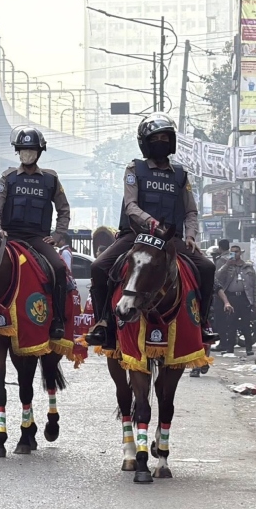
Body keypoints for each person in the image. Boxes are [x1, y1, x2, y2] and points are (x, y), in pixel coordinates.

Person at [86, 112, 218, 347]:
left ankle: (204, 322)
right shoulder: (134, 169)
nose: (161, 143)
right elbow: (131, 206)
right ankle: (103, 322)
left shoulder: (180, 174)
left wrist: (190, 235)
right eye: (155, 139)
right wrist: (151, 222)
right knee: (98, 267)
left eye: (165, 138)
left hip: (170, 239)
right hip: (136, 236)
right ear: (145, 144)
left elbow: (190, 211)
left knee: (207, 267)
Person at [0, 126, 71, 340]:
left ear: (39, 153)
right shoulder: (7, 178)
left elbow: (64, 211)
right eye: (23, 151)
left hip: (37, 238)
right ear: (18, 152)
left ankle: (58, 321)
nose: (27, 154)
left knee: (59, 268)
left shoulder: (51, 180)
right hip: (10, 237)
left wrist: (58, 235)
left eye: (31, 151)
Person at [215, 244, 256, 355]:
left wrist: (254, 302)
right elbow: (217, 277)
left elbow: (254, 286)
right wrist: (227, 264)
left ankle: (249, 348)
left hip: (244, 298)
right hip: (231, 298)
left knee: (246, 324)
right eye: (232, 252)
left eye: (237, 252)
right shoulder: (227, 266)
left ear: (240, 253)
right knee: (231, 324)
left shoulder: (248, 267)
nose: (235, 254)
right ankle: (230, 348)